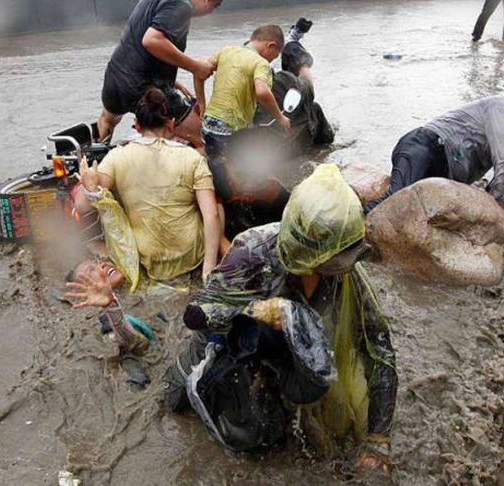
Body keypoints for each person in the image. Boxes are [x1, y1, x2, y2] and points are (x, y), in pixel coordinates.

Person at [163, 164, 398, 474]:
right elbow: (195, 314)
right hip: (237, 344)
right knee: (243, 432)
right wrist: (256, 311)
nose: (346, 264)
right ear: (312, 248)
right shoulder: (253, 253)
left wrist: (378, 439)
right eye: (337, 257)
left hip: (291, 359)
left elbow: (379, 351)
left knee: (333, 421)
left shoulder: (347, 275)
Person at [76, 88, 222, 282]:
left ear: (136, 125)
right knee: (216, 205)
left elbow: (82, 206)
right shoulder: (192, 157)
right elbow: (211, 215)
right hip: (192, 255)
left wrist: (89, 186)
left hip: (147, 259)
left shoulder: (117, 157)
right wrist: (208, 268)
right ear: (171, 124)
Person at [364, 96, 504, 213]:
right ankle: (338, 230)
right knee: (391, 205)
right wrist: (492, 216)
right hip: (426, 148)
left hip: (444, 173)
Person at [97, 0, 223, 145]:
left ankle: (95, 159)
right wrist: (196, 67)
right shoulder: (182, 5)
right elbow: (152, 40)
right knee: (204, 141)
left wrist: (172, 81)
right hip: (143, 86)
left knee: (108, 120)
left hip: (115, 79)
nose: (210, 12)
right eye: (214, 7)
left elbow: (138, 44)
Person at [194, 24, 291, 202]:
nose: (272, 60)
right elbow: (262, 92)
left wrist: (201, 103)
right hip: (231, 129)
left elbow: (198, 70)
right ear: (271, 46)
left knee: (217, 165)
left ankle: (220, 193)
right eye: (275, 56)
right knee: (251, 171)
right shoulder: (261, 64)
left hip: (208, 126)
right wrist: (280, 117)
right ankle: (241, 201)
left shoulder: (226, 50)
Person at [254, 17, 334, 154]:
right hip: (286, 146)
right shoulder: (280, 82)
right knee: (313, 106)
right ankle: (292, 45)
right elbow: (308, 87)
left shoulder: (237, 84)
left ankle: (292, 45)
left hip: (258, 148)